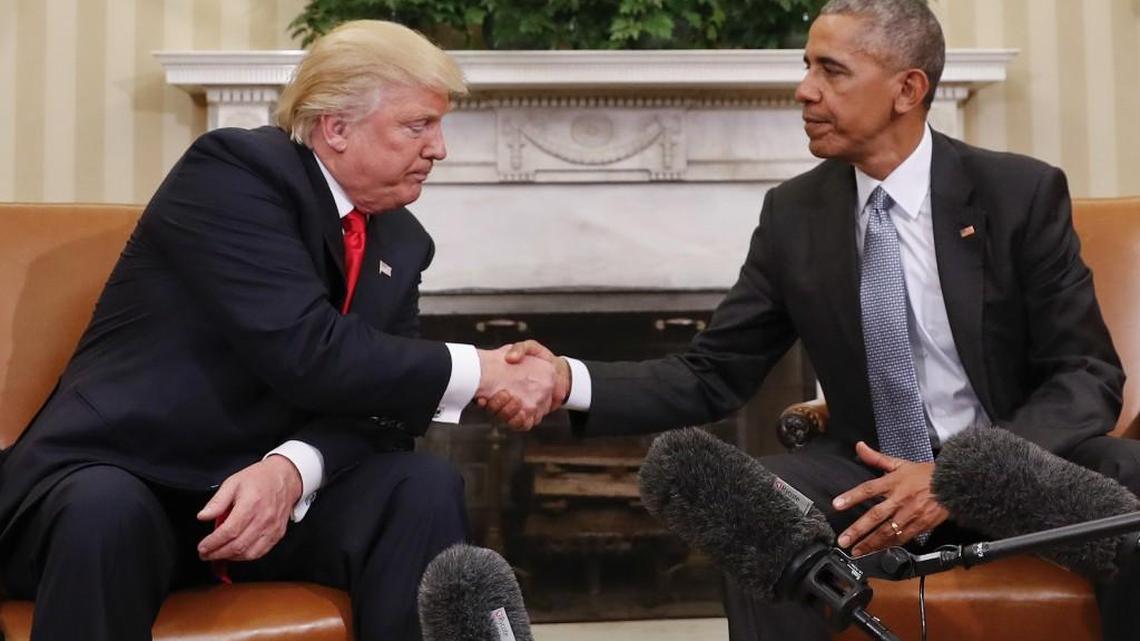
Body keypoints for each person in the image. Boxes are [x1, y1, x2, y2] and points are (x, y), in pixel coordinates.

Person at [490, 1, 1140, 639]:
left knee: (1129, 488)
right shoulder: (794, 216)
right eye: (807, 67)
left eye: (831, 71)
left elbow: (1086, 372)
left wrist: (963, 474)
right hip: (868, 476)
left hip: (1014, 462)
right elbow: (711, 373)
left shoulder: (1016, 194)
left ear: (906, 89)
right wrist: (563, 380)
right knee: (753, 513)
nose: (804, 90)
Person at [0, 20, 560, 641]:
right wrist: (482, 368)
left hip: (265, 505)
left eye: (438, 126)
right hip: (132, 474)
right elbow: (307, 348)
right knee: (104, 510)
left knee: (423, 484)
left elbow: (386, 414)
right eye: (417, 125)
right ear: (336, 127)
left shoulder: (402, 240)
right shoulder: (235, 173)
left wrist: (292, 469)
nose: (439, 148)